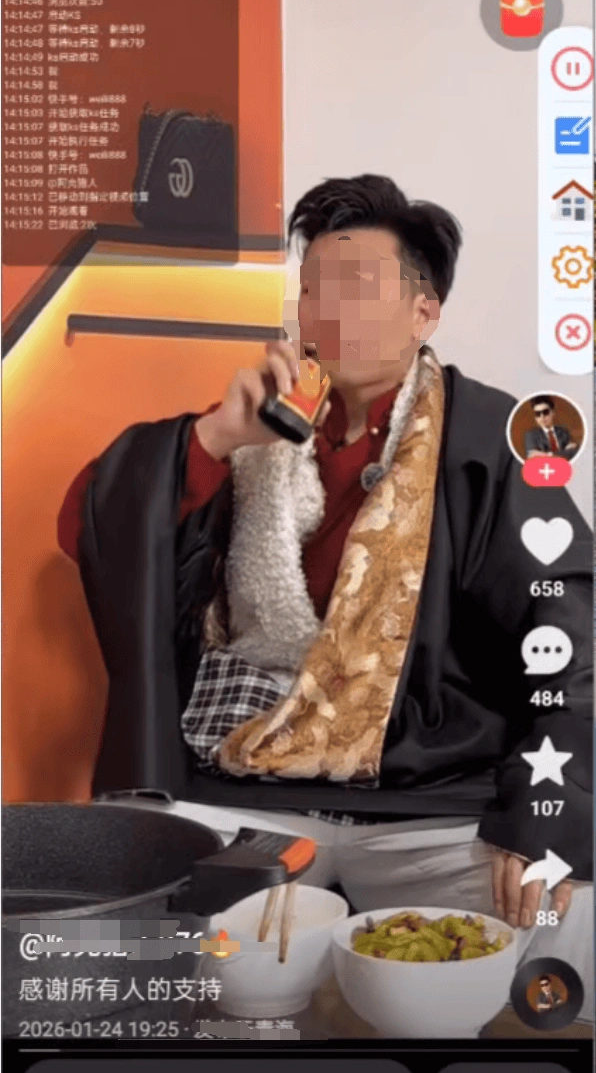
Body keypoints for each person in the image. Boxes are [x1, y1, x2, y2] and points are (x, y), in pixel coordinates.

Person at [58, 176, 593, 1024]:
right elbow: (84, 527)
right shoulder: (257, 429)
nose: (329, 309)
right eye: (313, 289)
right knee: (111, 896)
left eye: (359, 286)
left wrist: (540, 814)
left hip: (431, 803)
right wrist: (214, 437)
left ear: (424, 311)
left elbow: (571, 636)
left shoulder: (491, 443)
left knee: (570, 910)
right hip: (248, 789)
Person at [525, 396, 579, 460]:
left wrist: (548, 454)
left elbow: (573, 452)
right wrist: (564, 452)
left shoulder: (563, 431)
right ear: (535, 418)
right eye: (538, 414)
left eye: (545, 412)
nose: (542, 417)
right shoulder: (531, 435)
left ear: (553, 413)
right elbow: (534, 458)